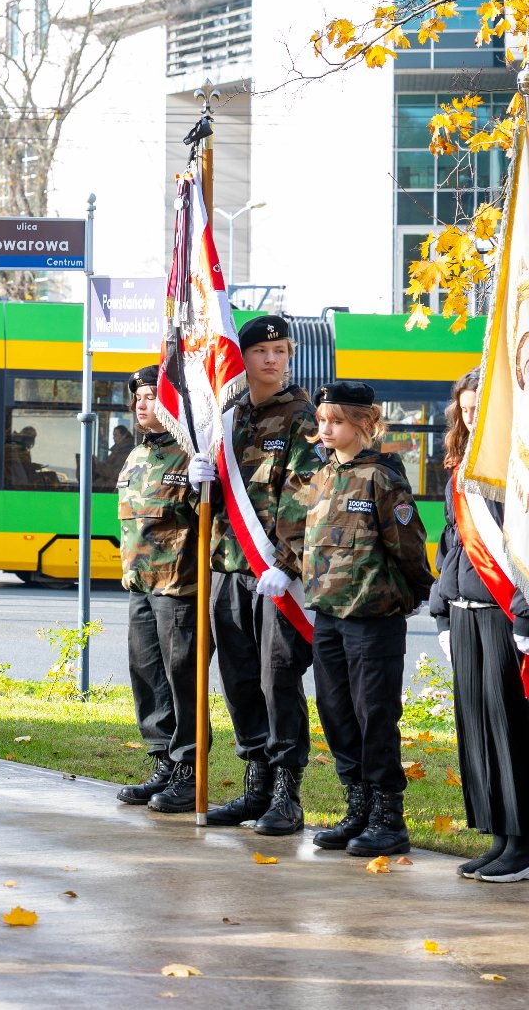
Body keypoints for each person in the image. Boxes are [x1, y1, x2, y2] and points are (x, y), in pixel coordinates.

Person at [187, 315, 321, 832]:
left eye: (281, 351)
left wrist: (286, 566)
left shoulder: (302, 417)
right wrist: (201, 478)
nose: (272, 359)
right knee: (239, 679)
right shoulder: (228, 417)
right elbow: (220, 501)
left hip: (275, 575)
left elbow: (305, 494)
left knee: (277, 679)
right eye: (262, 351)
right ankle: (255, 787)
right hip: (228, 568)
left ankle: (287, 793)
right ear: (240, 358)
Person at [289, 381, 435, 856]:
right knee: (336, 714)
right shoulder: (322, 475)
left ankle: (387, 817)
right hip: (329, 615)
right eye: (322, 421)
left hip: (373, 618)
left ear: (363, 423)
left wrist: (410, 596)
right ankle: (357, 806)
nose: (325, 429)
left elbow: (409, 547)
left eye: (336, 421)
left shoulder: (382, 478)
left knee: (375, 715)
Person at [426, 368, 529, 881]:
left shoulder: (516, 470)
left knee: (509, 729)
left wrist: (526, 617)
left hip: (505, 616)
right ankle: (496, 834)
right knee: (477, 730)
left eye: (478, 409)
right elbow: (451, 545)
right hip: (464, 615)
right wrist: (440, 607)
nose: (470, 416)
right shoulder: (461, 468)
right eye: (464, 409)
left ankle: (522, 841)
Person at [113, 365, 188, 810]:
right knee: (146, 675)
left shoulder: (189, 456)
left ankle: (187, 767)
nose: (144, 405)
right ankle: (161, 761)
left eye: (153, 397)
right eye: (139, 398)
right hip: (140, 585)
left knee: (181, 679)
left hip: (179, 586)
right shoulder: (137, 456)